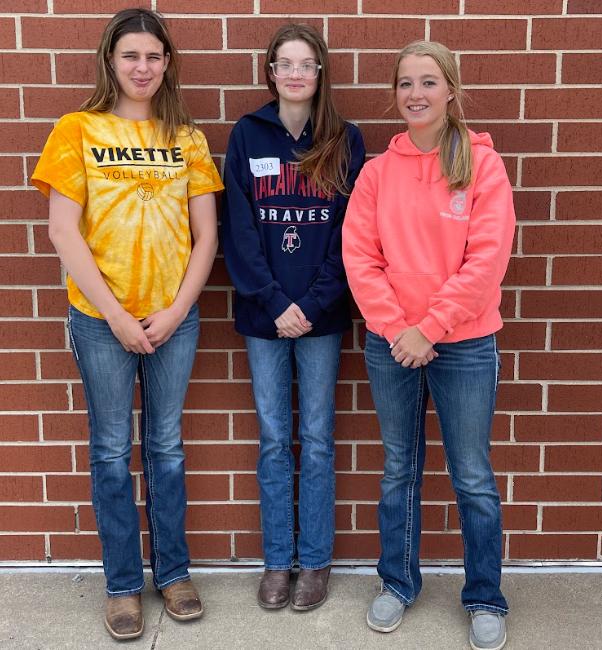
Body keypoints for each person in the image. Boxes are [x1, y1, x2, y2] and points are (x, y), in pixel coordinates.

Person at [31, 8, 223, 641]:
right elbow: (63, 231)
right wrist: (115, 316)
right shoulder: (77, 130)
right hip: (100, 319)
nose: (143, 68)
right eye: (131, 56)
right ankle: (121, 585)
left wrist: (176, 310)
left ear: (168, 64)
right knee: (112, 451)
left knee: (166, 447)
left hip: (173, 318)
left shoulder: (186, 137)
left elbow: (206, 235)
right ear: (110, 61)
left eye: (154, 56)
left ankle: (174, 573)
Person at [342, 40, 514, 650]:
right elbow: (360, 257)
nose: (415, 94)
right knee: (399, 468)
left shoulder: (481, 165)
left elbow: (486, 261)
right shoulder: (376, 173)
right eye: (405, 83)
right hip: (392, 344)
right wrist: (397, 329)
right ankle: (398, 583)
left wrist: (430, 327)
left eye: (428, 82)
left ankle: (485, 595)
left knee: (471, 474)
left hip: (464, 343)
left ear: (451, 91)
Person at [222, 24, 365, 611]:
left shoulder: (344, 139)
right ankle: (278, 561)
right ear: (271, 73)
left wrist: (311, 304)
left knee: (318, 439)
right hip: (265, 316)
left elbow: (351, 233)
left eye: (306, 64)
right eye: (286, 64)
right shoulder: (247, 134)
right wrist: (275, 302)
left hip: (320, 316)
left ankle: (316, 562)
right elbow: (238, 229)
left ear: (320, 72)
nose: (296, 74)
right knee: (275, 439)